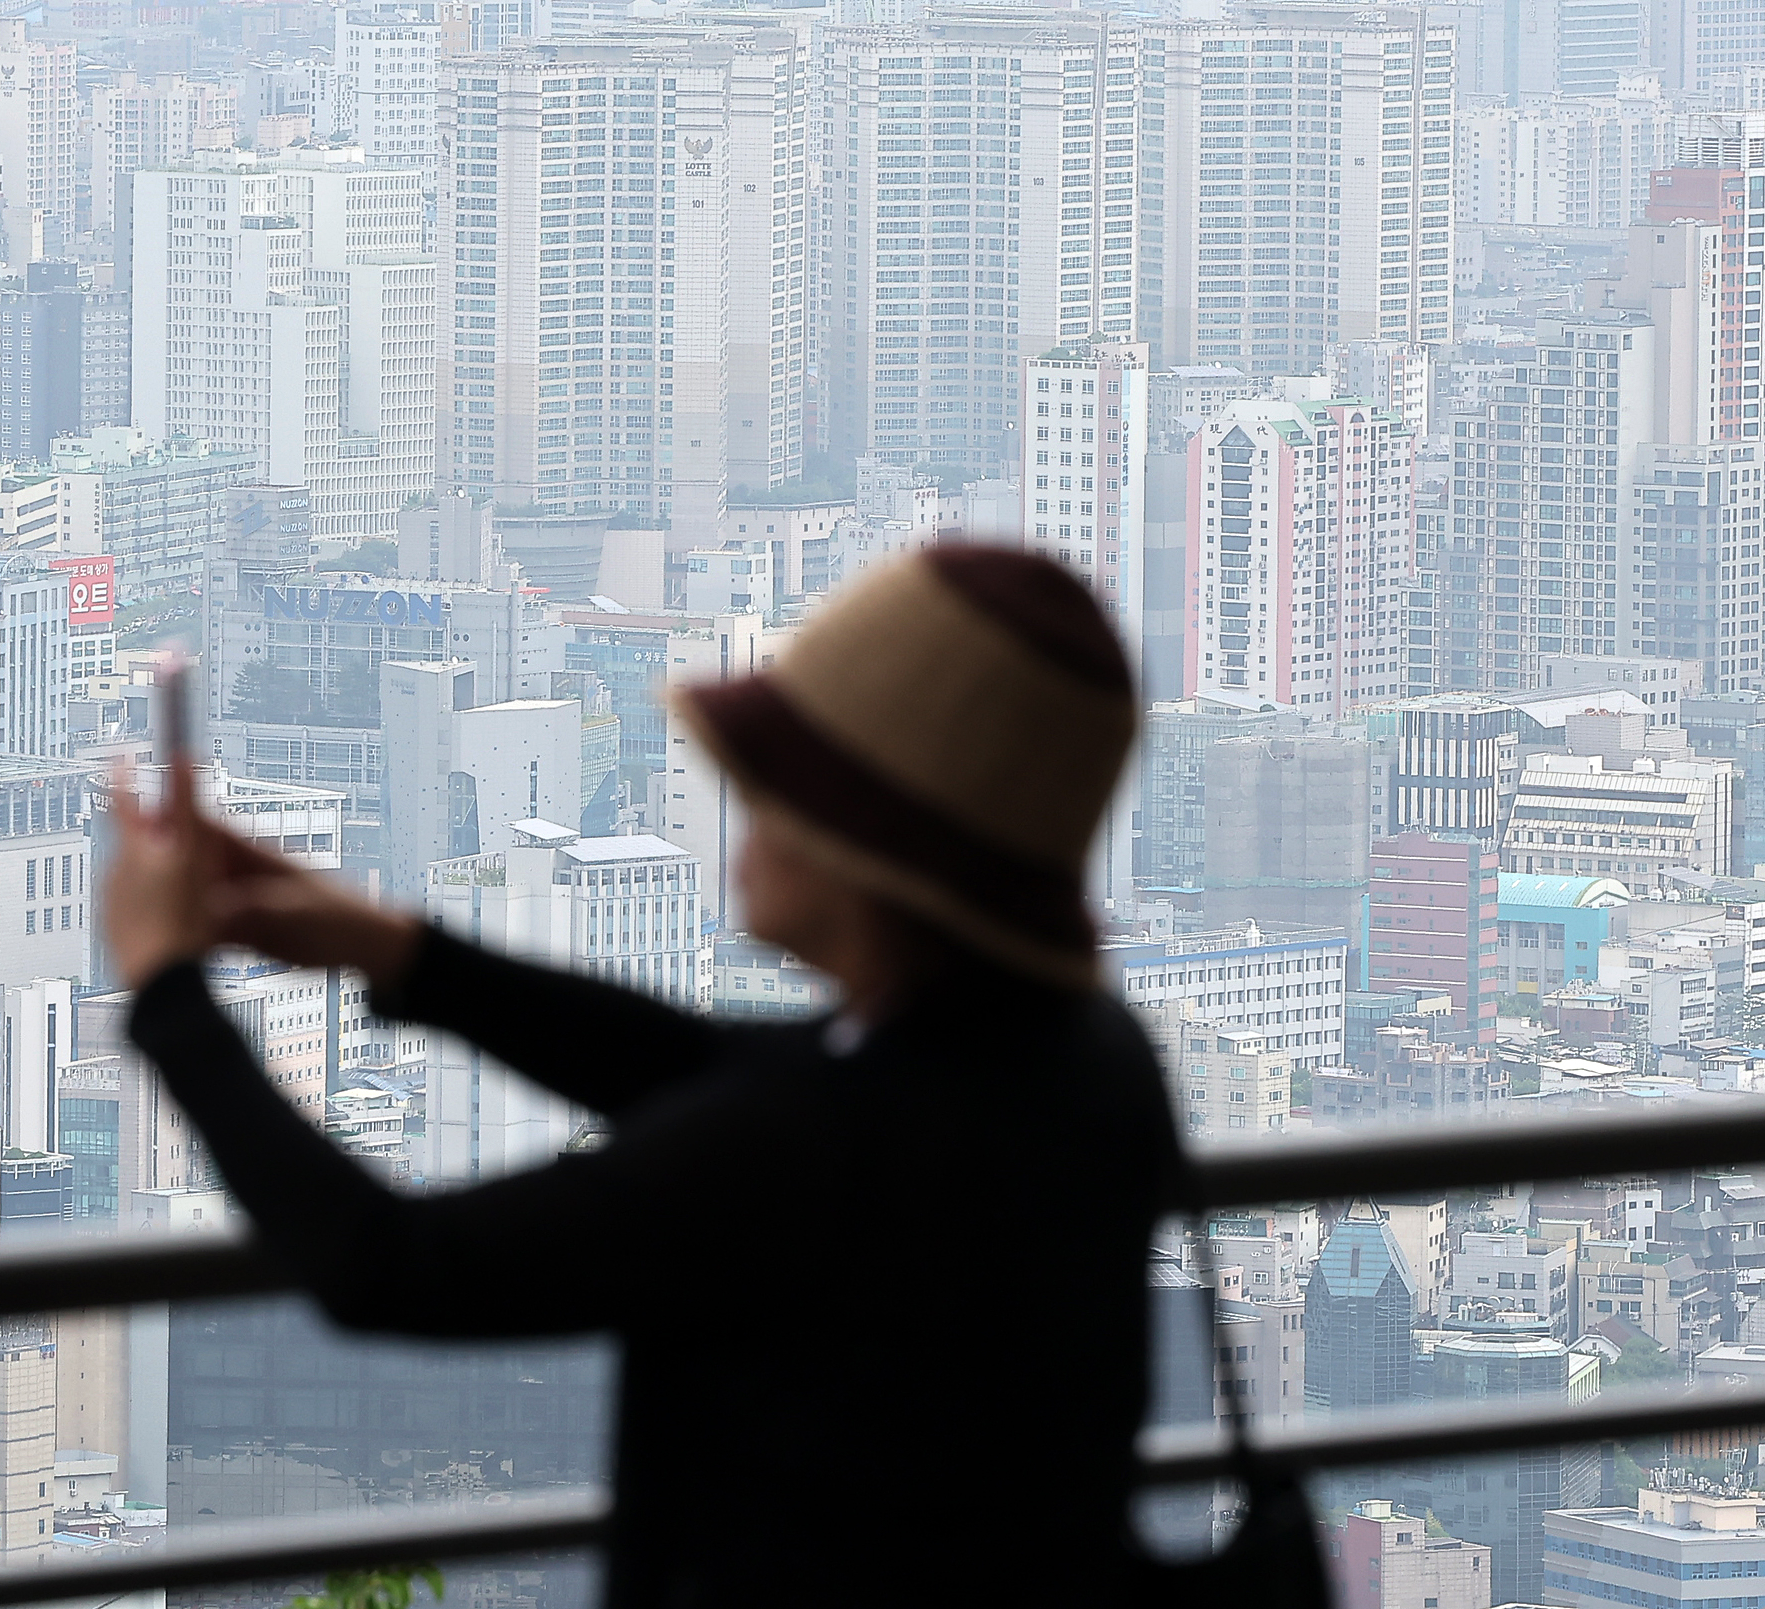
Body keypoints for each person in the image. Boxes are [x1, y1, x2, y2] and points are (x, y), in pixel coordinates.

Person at [104, 543, 1179, 1607]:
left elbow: (386, 1262)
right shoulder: (1090, 1063)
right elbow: (702, 1063)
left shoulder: (800, 1149)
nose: (740, 822)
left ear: (870, 845)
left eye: (776, 790)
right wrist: (388, 949)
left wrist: (167, 994)